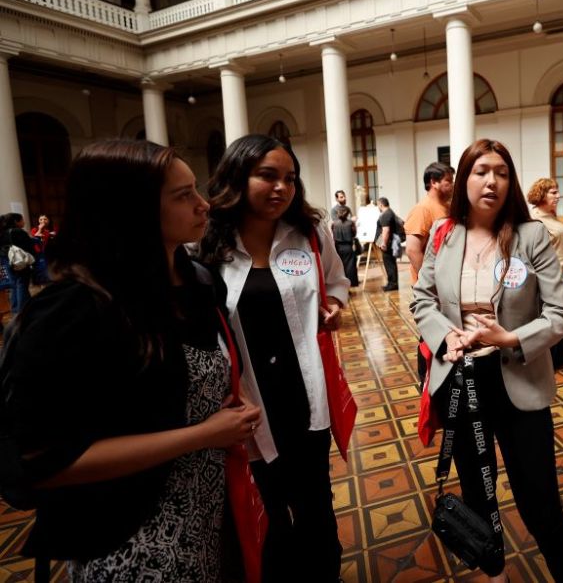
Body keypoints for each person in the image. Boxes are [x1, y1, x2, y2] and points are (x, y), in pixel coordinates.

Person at [2, 140, 261, 580]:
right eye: (183, 196)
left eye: (196, 190)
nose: (204, 206)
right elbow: (42, 462)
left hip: (208, 516)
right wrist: (200, 435)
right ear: (131, 209)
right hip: (128, 540)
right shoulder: (75, 311)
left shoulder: (195, 283)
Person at [411, 139, 563, 583]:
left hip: (518, 377)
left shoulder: (531, 236)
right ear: (463, 179)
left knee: (539, 498)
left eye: (501, 172)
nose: (492, 181)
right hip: (461, 378)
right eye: (481, 171)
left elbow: (561, 313)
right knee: (476, 492)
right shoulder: (445, 235)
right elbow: (422, 298)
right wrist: (446, 334)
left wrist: (509, 338)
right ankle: (494, 574)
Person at [199, 134, 350, 582]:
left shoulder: (307, 233)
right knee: (268, 519)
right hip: (248, 409)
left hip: (305, 400)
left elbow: (337, 283)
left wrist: (333, 308)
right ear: (237, 177)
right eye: (267, 175)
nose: (281, 187)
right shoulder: (207, 246)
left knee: (317, 512)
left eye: (290, 177)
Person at [527, 177, 563, 368]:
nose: (558, 196)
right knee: (550, 317)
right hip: (549, 277)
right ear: (541, 194)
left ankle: (560, 356)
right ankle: (550, 359)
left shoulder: (551, 215)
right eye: (553, 192)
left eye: (557, 191)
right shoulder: (535, 220)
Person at [404, 161, 454, 284]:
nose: (453, 185)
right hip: (432, 286)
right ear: (434, 182)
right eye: (448, 181)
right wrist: (429, 282)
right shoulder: (422, 209)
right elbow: (412, 250)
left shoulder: (447, 207)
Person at [0, 213, 36, 315]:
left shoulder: (3, 232)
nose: (24, 222)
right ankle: (22, 311)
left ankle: (15, 309)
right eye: (22, 220)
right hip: (19, 261)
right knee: (22, 284)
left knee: (14, 285)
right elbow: (29, 247)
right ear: (16, 221)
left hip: (7, 260)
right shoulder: (18, 232)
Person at [375, 196, 399, 292]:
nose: (378, 207)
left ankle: (392, 284)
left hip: (387, 243)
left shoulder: (386, 214)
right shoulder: (389, 212)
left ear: (381, 204)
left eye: (378, 205)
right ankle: (392, 283)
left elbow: (386, 230)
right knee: (390, 263)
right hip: (387, 242)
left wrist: (383, 243)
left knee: (389, 263)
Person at [332, 205, 359, 287]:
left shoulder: (334, 224)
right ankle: (351, 283)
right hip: (348, 247)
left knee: (341, 266)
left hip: (338, 247)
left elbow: (333, 235)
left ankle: (342, 283)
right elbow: (354, 234)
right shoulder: (351, 223)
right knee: (350, 266)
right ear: (347, 213)